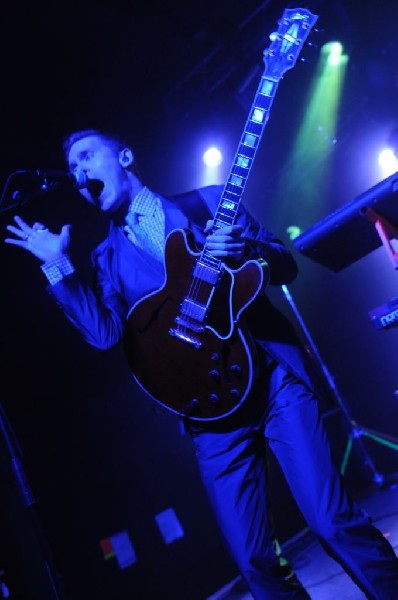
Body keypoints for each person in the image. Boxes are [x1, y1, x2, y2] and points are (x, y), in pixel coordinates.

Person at [5, 128, 398, 599]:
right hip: (210, 420)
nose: (79, 171)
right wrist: (58, 268)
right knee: (254, 559)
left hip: (274, 384)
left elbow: (284, 264)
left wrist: (247, 252)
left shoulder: (206, 204)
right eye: (72, 167)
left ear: (125, 155)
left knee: (331, 520)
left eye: (87, 157)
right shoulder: (105, 258)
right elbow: (104, 334)